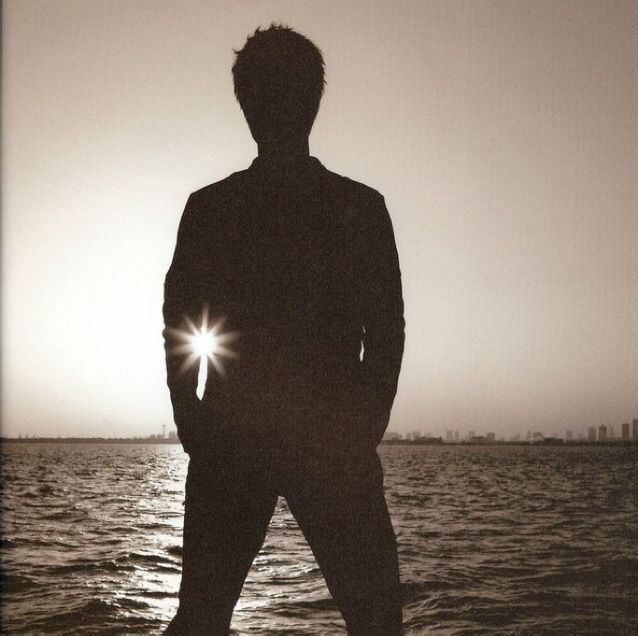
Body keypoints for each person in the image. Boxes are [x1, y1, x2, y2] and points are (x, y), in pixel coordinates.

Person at [162, 24, 405, 635]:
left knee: (206, 619)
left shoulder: (218, 208)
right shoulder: (353, 207)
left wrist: (366, 424)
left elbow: (387, 328)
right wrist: (191, 420)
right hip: (280, 440)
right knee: (371, 621)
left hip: (287, 441)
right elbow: (386, 329)